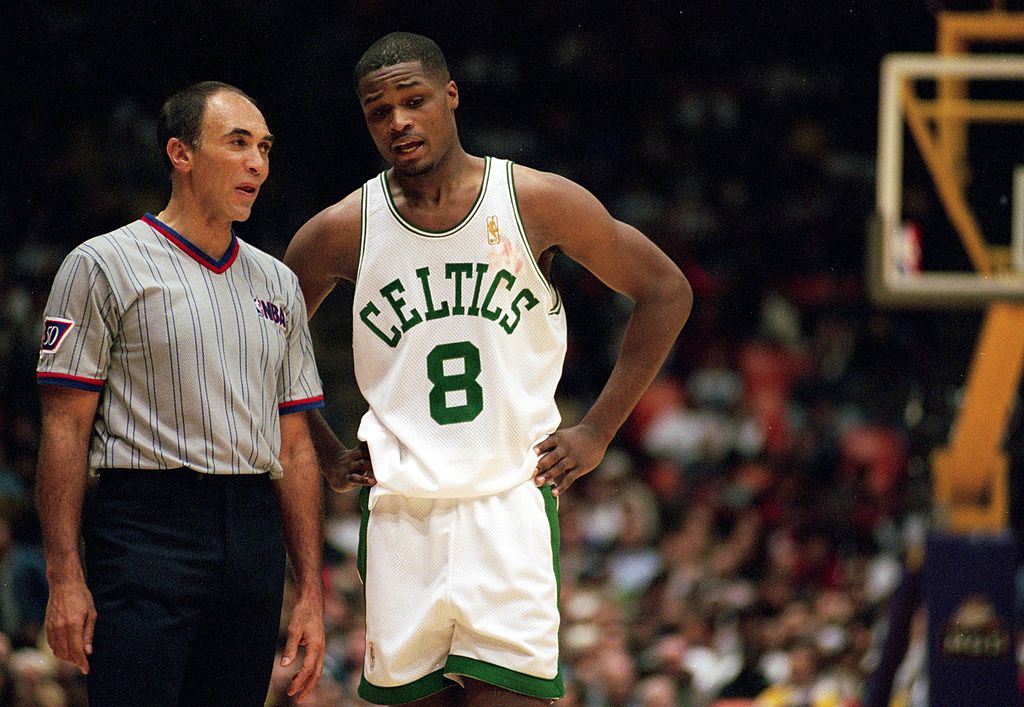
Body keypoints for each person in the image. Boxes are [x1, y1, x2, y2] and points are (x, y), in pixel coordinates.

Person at [285, 32, 692, 706]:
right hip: (401, 512)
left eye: (413, 101)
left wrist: (596, 431)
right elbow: (260, 347)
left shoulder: (535, 201)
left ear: (450, 95)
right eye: (379, 112)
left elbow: (666, 290)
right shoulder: (340, 229)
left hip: (507, 502)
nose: (399, 123)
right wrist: (324, 446)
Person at [35, 81, 326, 706]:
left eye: (266, 148)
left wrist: (309, 593)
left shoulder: (278, 281)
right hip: (144, 524)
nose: (257, 163)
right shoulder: (101, 263)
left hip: (252, 528)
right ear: (180, 153)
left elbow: (296, 449)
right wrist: (65, 575)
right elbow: (63, 429)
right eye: (238, 143)